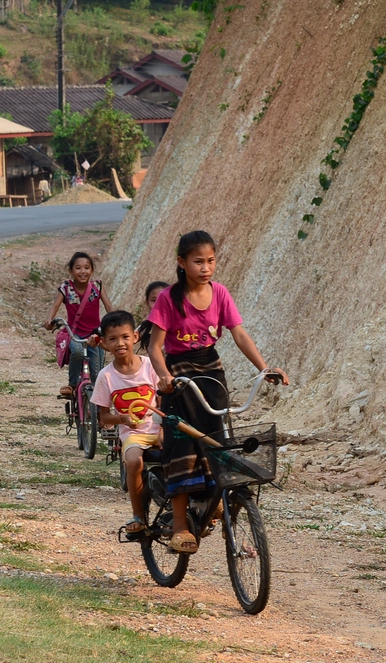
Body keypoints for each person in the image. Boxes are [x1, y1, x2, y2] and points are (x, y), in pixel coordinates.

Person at [146, 230, 288, 554]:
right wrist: (164, 376)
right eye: (198, 261)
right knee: (183, 444)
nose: (206, 267)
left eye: (211, 261)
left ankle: (225, 514)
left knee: (221, 441)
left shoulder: (220, 293)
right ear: (182, 263)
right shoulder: (169, 298)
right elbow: (155, 347)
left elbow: (239, 334)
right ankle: (180, 525)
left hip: (212, 371)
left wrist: (263, 368)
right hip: (179, 372)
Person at [91, 310, 163, 539]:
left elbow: (163, 402)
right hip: (133, 434)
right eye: (112, 339)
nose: (119, 343)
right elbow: (103, 417)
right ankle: (138, 515)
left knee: (179, 452)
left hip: (158, 427)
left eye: (124, 337)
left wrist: (162, 426)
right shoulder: (106, 376)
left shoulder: (151, 366)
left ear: (135, 337)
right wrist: (122, 419)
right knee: (133, 461)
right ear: (104, 343)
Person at [44, 252, 114, 398]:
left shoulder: (97, 286)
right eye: (78, 268)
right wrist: (49, 320)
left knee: (97, 374)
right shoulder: (66, 288)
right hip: (74, 333)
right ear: (71, 271)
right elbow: (55, 305)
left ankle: (99, 413)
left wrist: (114, 321)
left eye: (87, 268)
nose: (83, 271)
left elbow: (108, 306)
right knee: (76, 352)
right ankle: (73, 385)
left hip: (95, 335)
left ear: (92, 271)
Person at [135, 280, 169, 354]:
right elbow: (127, 340)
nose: (159, 304)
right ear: (147, 303)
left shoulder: (180, 325)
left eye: (163, 300)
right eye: (154, 300)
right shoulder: (146, 327)